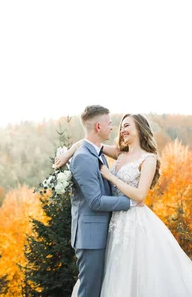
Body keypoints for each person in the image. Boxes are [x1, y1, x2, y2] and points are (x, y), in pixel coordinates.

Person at [55, 112, 192, 296]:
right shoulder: (120, 154)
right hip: (114, 223)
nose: (122, 130)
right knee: (114, 272)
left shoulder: (148, 159)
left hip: (135, 220)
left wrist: (111, 177)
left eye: (127, 126)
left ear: (140, 129)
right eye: (121, 127)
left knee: (136, 272)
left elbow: (140, 195)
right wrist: (67, 155)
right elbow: (87, 143)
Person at [67, 105, 136, 297]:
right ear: (98, 126)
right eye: (109, 123)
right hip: (90, 238)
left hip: (99, 233)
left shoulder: (95, 153)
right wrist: (129, 202)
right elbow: (95, 201)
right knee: (89, 292)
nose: (112, 127)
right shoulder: (83, 158)